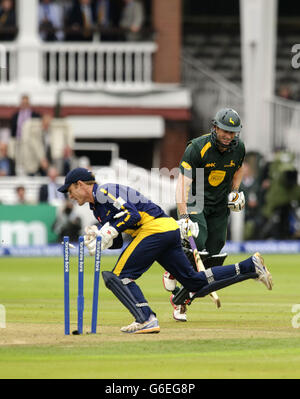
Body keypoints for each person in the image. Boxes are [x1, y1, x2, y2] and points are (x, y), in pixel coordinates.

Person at [57, 167, 273, 334]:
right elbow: (117, 241)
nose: (70, 196)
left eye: (70, 191)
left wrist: (110, 230)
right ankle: (250, 267)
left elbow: (131, 215)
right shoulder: (97, 206)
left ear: (79, 184)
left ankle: (146, 318)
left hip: (154, 229)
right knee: (195, 283)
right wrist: (99, 237)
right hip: (166, 230)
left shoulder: (104, 192)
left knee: (119, 277)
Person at [164, 108, 246, 321]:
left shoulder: (239, 149)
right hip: (195, 199)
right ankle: (174, 273)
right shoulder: (198, 148)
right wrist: (183, 217)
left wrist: (235, 193)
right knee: (198, 242)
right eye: (225, 131)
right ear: (215, 127)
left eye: (232, 132)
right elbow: (182, 185)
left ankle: (180, 297)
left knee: (214, 254)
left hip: (219, 205)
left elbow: (238, 169)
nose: (228, 136)